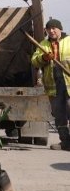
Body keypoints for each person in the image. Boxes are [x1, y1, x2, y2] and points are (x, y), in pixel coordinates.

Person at [31, 19, 70, 151]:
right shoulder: (43, 44)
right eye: (49, 29)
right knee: (58, 114)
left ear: (60, 29)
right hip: (54, 84)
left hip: (69, 81)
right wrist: (44, 58)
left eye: (54, 28)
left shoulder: (69, 41)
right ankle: (65, 142)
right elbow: (34, 61)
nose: (52, 31)